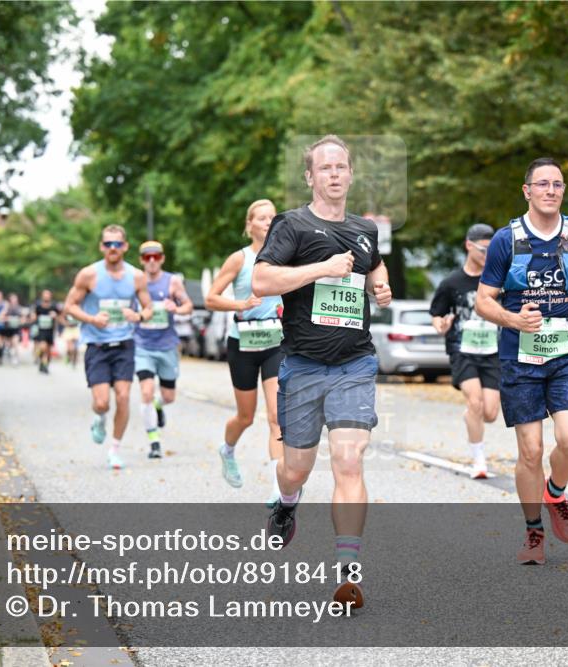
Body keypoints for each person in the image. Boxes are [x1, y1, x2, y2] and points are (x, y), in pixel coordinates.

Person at [252, 135, 391, 606]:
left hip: (355, 362)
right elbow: (261, 280)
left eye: (341, 167)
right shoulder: (292, 225)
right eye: (325, 168)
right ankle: (286, 503)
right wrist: (321, 268)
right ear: (310, 177)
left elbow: (375, 265)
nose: (334, 174)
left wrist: (381, 286)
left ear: (351, 174)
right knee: (296, 469)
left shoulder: (364, 229)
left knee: (349, 459)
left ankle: (348, 572)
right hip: (304, 365)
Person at [474, 157, 568, 565]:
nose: (551, 190)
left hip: (565, 353)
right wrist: (514, 320)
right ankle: (533, 532)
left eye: (557, 184)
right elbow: (483, 300)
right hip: (519, 358)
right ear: (527, 191)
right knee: (530, 451)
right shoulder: (505, 240)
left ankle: (555, 492)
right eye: (542, 184)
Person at [205, 199, 284, 498]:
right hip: (243, 343)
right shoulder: (239, 259)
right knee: (246, 416)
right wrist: (241, 304)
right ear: (249, 225)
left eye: (272, 217)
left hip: (276, 342)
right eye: (261, 218)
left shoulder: (286, 256)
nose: (268, 222)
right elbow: (211, 298)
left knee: (277, 417)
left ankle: (279, 490)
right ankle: (227, 450)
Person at [64, 225, 153, 470]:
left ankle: (114, 450)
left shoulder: (136, 276)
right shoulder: (88, 275)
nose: (112, 248)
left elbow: (149, 308)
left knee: (123, 397)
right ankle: (100, 416)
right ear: (101, 247)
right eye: (108, 244)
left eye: (117, 244)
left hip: (124, 345)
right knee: (102, 402)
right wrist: (92, 319)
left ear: (125, 246)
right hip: (97, 346)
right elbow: (69, 306)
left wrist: (138, 316)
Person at [429, 223, 501, 478]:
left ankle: (472, 415)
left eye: (492, 250)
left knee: (490, 413)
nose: (487, 255)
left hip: (493, 351)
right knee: (475, 402)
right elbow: (437, 315)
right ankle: (479, 461)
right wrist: (441, 325)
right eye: (483, 249)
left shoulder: (499, 279)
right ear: (469, 246)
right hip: (462, 350)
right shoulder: (451, 282)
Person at [133, 241, 193, 460]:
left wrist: (176, 308)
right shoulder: (134, 281)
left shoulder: (172, 281)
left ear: (162, 259)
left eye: (156, 257)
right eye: (147, 257)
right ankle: (154, 442)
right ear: (141, 260)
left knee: (168, 397)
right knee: (146, 392)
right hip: (142, 345)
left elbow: (188, 306)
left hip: (167, 345)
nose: (151, 261)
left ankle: (158, 405)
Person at [31, 289, 59, 374]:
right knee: (43, 347)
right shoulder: (38, 306)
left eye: (48, 295)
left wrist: (55, 316)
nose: (46, 296)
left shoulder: (54, 307)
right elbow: (33, 317)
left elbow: (59, 318)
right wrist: (34, 316)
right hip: (41, 330)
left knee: (48, 351)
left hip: (50, 331)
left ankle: (45, 365)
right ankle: (43, 364)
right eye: (45, 295)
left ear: (50, 296)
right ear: (42, 296)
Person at [4, 293, 23, 365]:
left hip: (16, 329)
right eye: (12, 299)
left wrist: (19, 320)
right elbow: (2, 317)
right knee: (9, 344)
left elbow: (23, 319)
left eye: (15, 299)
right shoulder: (7, 308)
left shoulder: (19, 308)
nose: (13, 300)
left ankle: (16, 357)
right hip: (8, 329)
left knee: (15, 342)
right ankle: (10, 354)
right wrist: (7, 318)